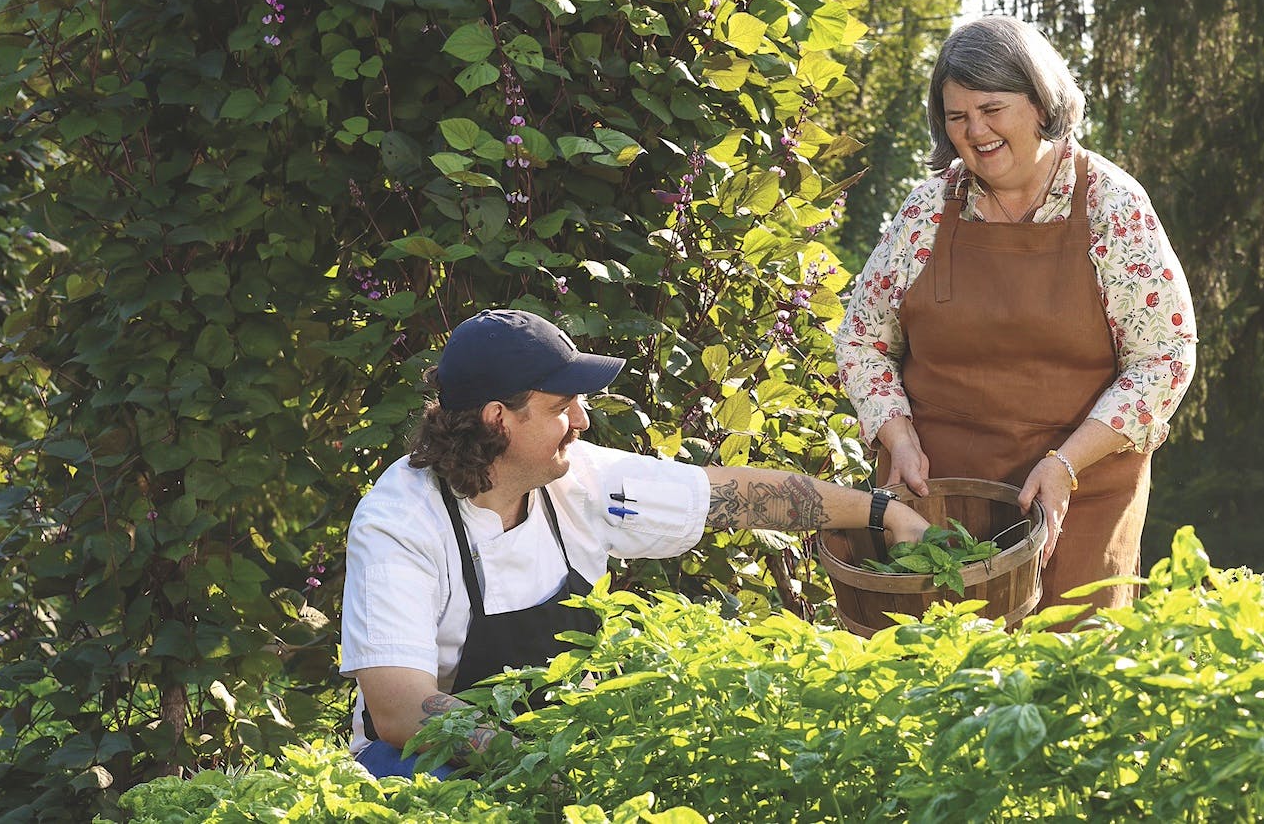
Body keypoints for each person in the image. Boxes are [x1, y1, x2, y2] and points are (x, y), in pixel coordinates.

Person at [341, 308, 930, 778]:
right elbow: (400, 706)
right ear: (499, 418)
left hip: (555, 753)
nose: (583, 420)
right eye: (561, 405)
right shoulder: (400, 524)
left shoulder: (578, 479)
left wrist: (882, 512)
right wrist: (535, 766)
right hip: (423, 769)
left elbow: (732, 496)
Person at [834, 16, 1197, 620]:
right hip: (942, 501)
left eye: (992, 108)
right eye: (956, 117)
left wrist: (1065, 464)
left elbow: (1164, 358)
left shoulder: (1112, 205)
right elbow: (863, 339)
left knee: (1071, 677)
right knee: (935, 688)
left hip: (1078, 490)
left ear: (1041, 100)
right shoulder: (928, 210)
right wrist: (895, 436)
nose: (975, 132)